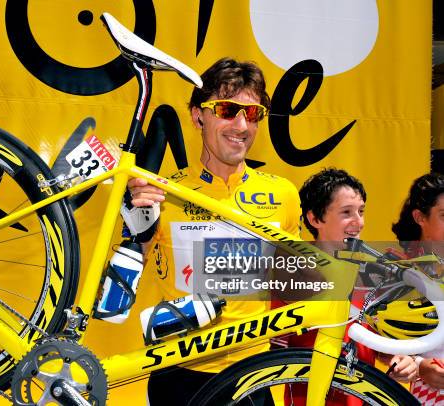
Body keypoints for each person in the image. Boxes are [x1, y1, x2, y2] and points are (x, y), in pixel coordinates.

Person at [121, 57, 301, 405]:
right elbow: (117, 294)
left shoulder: (283, 196)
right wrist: (137, 231)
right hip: (179, 373)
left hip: (254, 374)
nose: (241, 125)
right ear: (197, 115)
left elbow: (292, 286)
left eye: (252, 114)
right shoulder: (164, 193)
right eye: (227, 110)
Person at [277, 168, 417, 405]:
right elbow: (271, 348)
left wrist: (403, 360)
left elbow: (381, 344)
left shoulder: (378, 272)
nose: (359, 222)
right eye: (346, 212)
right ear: (314, 219)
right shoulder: (289, 270)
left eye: (361, 211)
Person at [392, 172, 444, 402]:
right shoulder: (398, 271)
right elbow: (384, 345)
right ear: (420, 217)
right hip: (431, 395)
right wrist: (420, 366)